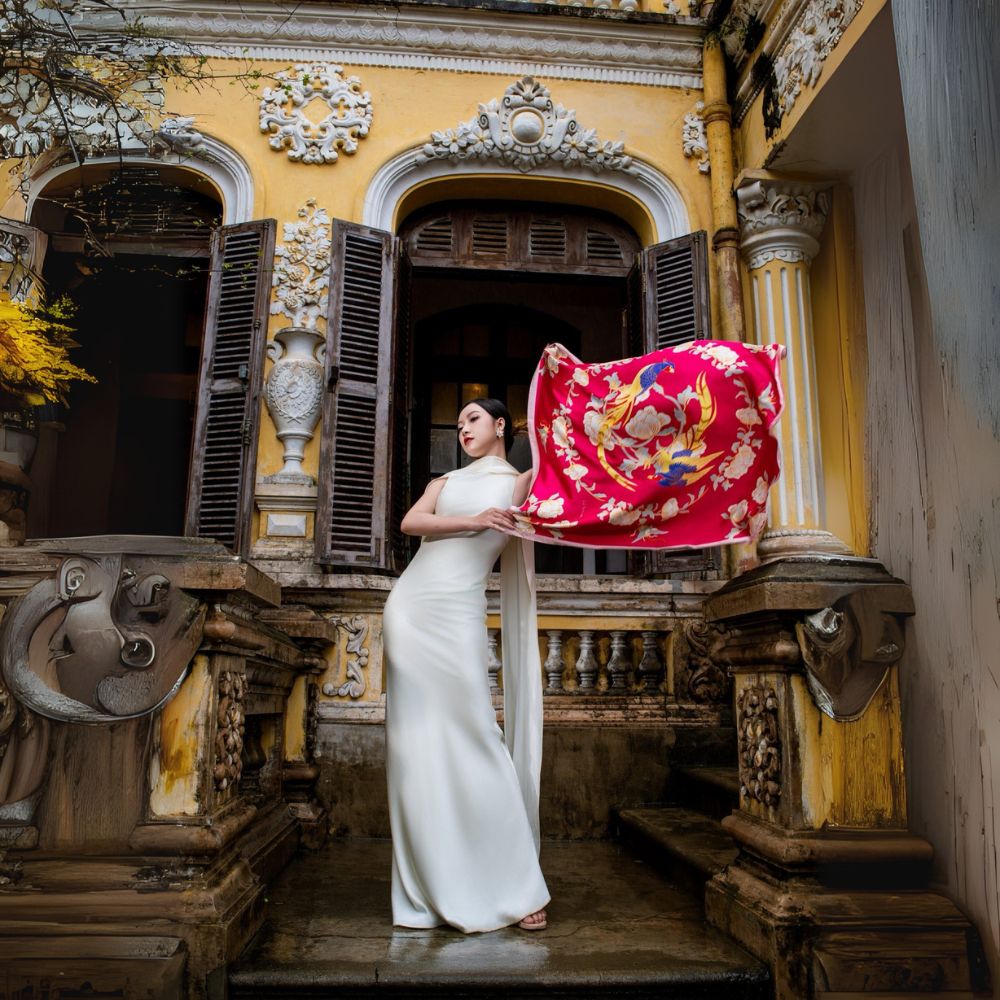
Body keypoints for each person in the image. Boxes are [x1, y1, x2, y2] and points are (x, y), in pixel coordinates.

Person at [382, 398, 550, 933]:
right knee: (417, 749)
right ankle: (433, 884)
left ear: (501, 425)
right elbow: (412, 523)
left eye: (473, 419)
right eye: (457, 423)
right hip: (412, 609)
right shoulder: (446, 481)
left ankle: (515, 886)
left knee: (477, 732)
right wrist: (474, 520)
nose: (462, 429)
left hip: (459, 615)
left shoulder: (521, 482)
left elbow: (570, 462)